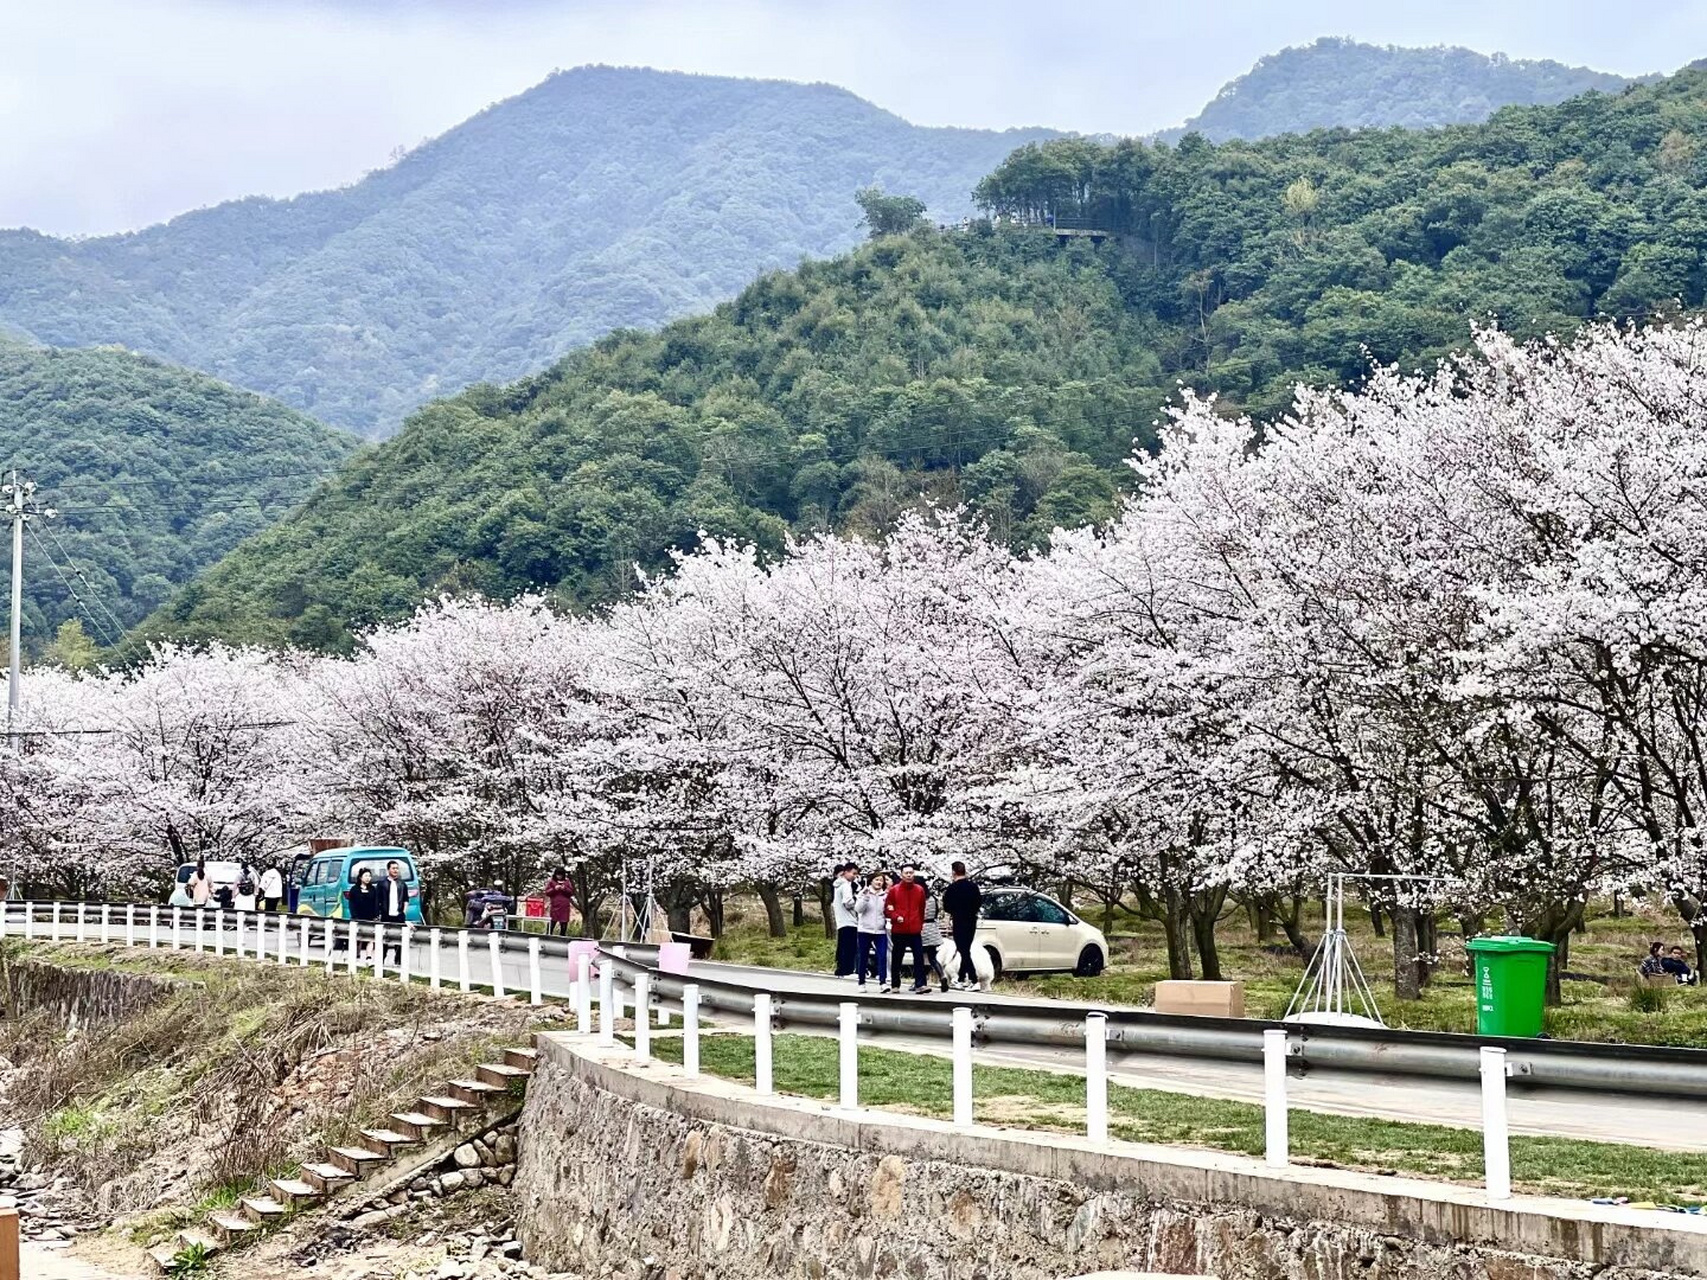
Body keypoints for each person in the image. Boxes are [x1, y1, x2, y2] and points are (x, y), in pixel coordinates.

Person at [885, 865, 929, 995]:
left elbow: (921, 909)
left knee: (919, 957)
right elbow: (888, 908)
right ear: (901, 875)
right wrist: (895, 916)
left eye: (911, 873)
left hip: (915, 929)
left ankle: (920, 984)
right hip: (899, 930)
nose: (909, 875)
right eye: (906, 873)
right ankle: (895, 984)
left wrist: (920, 924)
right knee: (897, 957)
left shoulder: (919, 890)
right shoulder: (894, 890)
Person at [941, 861, 983, 991]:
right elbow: (978, 903)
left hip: (959, 920)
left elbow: (946, 906)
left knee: (963, 949)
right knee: (966, 949)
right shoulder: (973, 887)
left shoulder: (952, 888)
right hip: (971, 920)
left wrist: (955, 910)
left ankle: (974, 979)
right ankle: (960, 978)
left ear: (953, 872)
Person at [854, 872, 888, 991]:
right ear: (871, 881)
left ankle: (883, 982)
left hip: (880, 930)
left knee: (882, 955)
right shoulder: (863, 892)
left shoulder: (885, 896)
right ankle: (861, 983)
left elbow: (887, 911)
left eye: (881, 880)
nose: (879, 882)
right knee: (863, 956)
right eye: (876, 880)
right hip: (864, 929)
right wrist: (865, 898)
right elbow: (858, 909)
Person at [832, 863, 860, 978]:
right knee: (849, 947)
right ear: (846, 872)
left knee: (843, 945)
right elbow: (848, 903)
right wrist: (857, 901)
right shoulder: (846, 885)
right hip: (849, 920)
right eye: (853, 873)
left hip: (841, 920)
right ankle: (847, 970)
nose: (854, 876)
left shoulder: (837, 885)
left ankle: (841, 969)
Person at [345, 867, 381, 958]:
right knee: (358, 938)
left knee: (370, 938)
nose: (368, 878)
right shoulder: (354, 889)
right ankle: (357, 955)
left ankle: (369, 956)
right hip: (358, 917)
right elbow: (352, 904)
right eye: (366, 876)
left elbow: (376, 903)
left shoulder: (373, 889)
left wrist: (376, 915)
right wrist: (354, 916)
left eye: (369, 876)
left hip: (370, 917)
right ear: (360, 877)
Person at [379, 860, 410, 962]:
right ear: (388, 870)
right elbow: (377, 900)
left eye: (397, 868)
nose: (396, 870)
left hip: (399, 914)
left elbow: (406, 899)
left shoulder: (402, 884)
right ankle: (381, 958)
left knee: (400, 938)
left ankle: (398, 959)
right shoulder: (382, 884)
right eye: (393, 868)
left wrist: (404, 912)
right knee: (384, 938)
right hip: (385, 914)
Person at [920, 884, 948, 991]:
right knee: (932, 958)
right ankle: (942, 976)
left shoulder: (921, 899)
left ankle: (921, 981)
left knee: (921, 958)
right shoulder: (933, 898)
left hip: (923, 929)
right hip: (933, 929)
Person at [543, 869, 577, 938]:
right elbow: (547, 892)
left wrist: (564, 888)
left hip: (564, 907)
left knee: (563, 925)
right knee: (551, 924)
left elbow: (571, 892)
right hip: (555, 906)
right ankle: (547, 938)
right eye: (558, 875)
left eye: (561, 875)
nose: (559, 876)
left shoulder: (567, 882)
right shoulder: (551, 882)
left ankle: (562, 939)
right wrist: (554, 889)